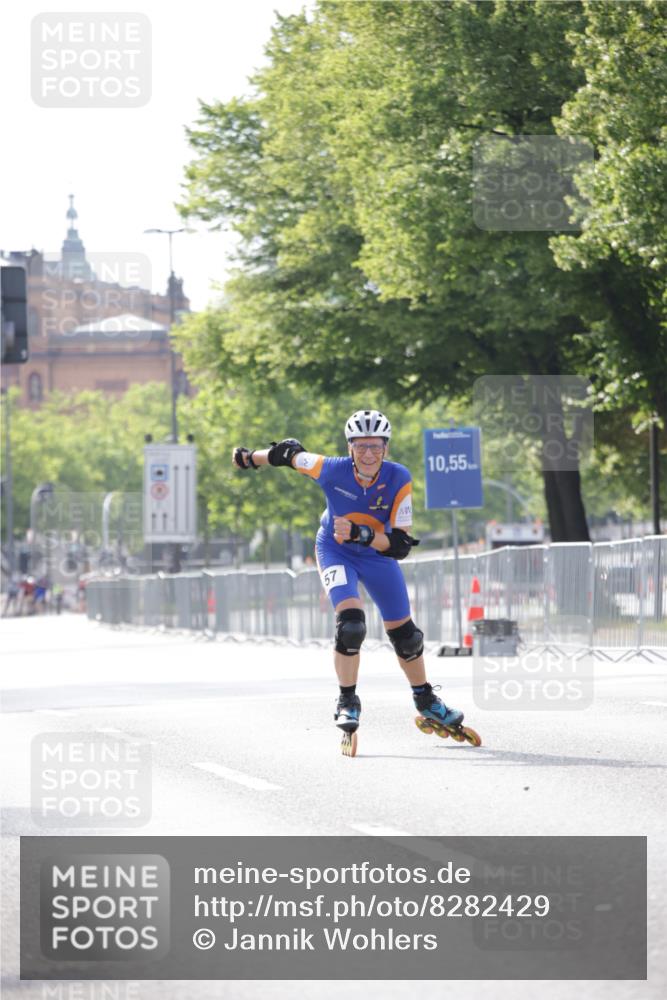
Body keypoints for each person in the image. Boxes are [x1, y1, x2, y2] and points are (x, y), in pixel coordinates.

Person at [232, 408, 466, 753]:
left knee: (407, 636)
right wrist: (250, 458)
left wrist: (361, 534)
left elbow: (401, 545)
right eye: (361, 447)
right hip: (334, 550)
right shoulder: (330, 469)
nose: (368, 454)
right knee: (351, 625)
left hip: (376, 554)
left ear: (386, 448)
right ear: (350, 447)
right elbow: (289, 454)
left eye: (375, 446)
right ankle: (347, 701)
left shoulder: (399, 477)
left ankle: (426, 700)